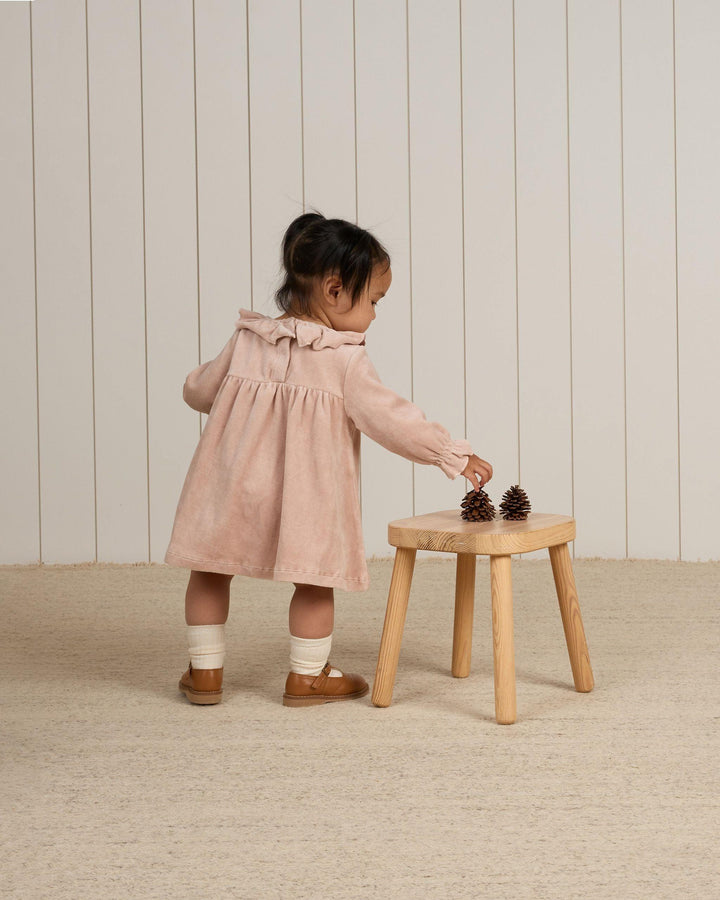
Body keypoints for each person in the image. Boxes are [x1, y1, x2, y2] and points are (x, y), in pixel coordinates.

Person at [165, 212, 493, 707]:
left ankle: (205, 672)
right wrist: (452, 454)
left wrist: (223, 395)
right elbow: (393, 419)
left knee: (209, 569)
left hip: (230, 483)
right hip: (307, 492)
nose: (377, 315)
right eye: (375, 301)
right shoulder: (345, 361)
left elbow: (200, 390)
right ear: (335, 290)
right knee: (314, 579)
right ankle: (308, 676)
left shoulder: (248, 339)